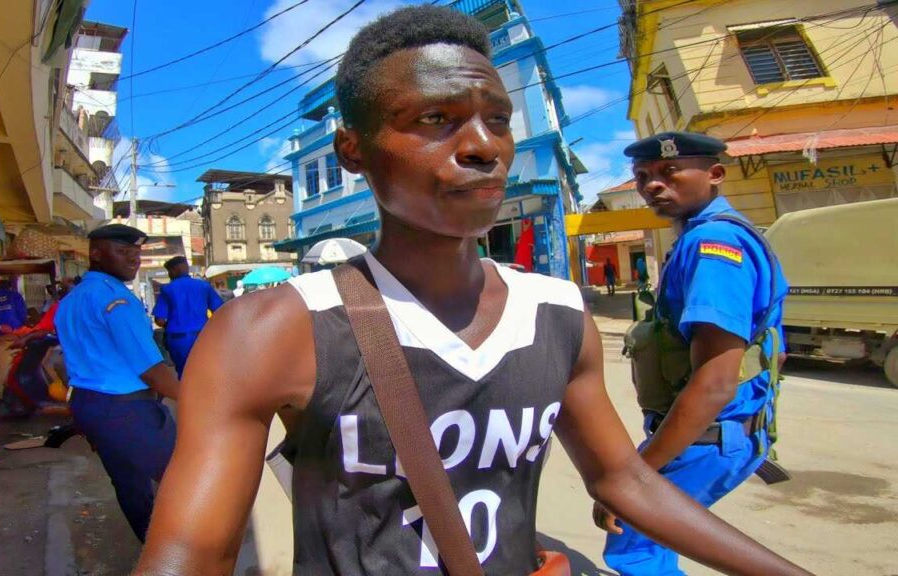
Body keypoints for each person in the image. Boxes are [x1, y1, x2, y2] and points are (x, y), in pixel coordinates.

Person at [135, 8, 810, 575]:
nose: (483, 146)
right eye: (434, 120)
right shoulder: (272, 330)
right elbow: (190, 552)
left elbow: (622, 479)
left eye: (498, 119)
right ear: (353, 151)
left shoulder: (556, 313)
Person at [596, 131, 790, 575]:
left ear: (715, 174)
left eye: (669, 172)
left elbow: (715, 383)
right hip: (720, 434)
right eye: (643, 177)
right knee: (653, 546)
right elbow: (775, 353)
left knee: (635, 548)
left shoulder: (713, 246)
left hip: (707, 438)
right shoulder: (707, 236)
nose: (652, 185)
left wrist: (632, 477)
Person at [55, 224, 180, 542]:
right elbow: (151, 370)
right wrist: (200, 400)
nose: (133, 259)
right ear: (95, 254)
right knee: (184, 479)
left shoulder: (72, 299)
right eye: (123, 251)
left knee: (129, 483)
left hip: (89, 404)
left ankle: (153, 550)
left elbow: (68, 357)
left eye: (137, 253)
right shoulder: (116, 301)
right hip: (125, 409)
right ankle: (185, 557)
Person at [152, 256, 223, 378]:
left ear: (174, 270)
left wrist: (169, 325)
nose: (169, 275)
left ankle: (188, 395)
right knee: (207, 372)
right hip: (204, 337)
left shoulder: (167, 289)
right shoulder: (204, 286)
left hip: (177, 339)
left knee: (184, 375)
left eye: (169, 271)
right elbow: (220, 311)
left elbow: (159, 319)